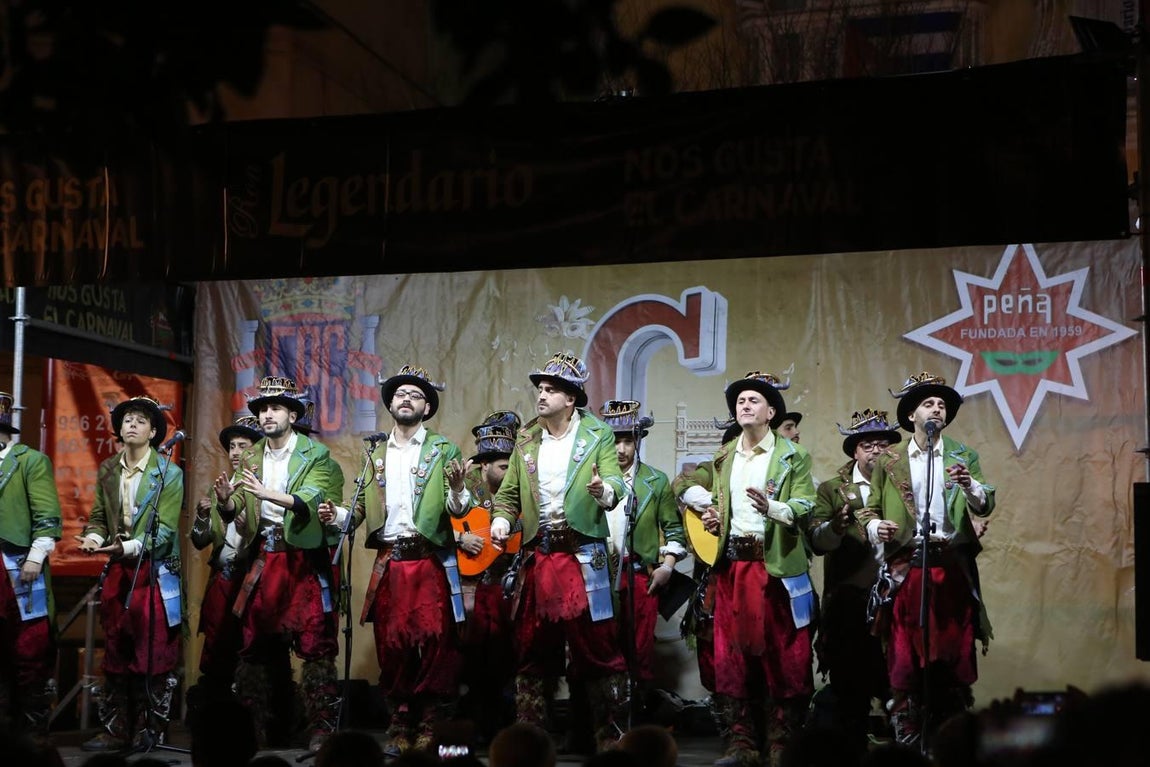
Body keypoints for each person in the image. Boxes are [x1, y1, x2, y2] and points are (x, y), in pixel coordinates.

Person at [325, 365, 470, 757]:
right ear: (390, 403)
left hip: (427, 559)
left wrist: (457, 489)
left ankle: (428, 720)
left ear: (427, 407)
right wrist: (336, 516)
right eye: (400, 393)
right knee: (392, 645)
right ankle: (400, 717)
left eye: (415, 395)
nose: (406, 398)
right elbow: (357, 509)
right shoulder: (374, 451)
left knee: (436, 643)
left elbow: (458, 508)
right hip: (390, 560)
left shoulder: (443, 450)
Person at [490, 351, 629, 751]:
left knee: (599, 647)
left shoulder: (597, 435)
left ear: (571, 398)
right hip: (540, 555)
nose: (541, 395)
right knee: (532, 649)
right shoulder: (526, 438)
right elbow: (510, 494)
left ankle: (610, 741)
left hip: (583, 554)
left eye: (551, 390)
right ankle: (528, 741)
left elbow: (617, 483)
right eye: (539, 389)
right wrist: (502, 519)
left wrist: (605, 492)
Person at [680, 370, 817, 767]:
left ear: (771, 412)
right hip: (734, 568)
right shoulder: (724, 457)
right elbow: (690, 488)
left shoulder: (793, 456)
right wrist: (710, 509)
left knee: (783, 656)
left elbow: (806, 505)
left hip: (774, 567)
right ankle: (741, 743)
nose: (745, 405)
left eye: (754, 400)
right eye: (740, 401)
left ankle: (781, 743)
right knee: (733, 657)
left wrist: (772, 508)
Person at [857, 372, 995, 746]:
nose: (937, 408)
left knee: (951, 650)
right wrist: (876, 528)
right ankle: (907, 733)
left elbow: (986, 504)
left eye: (942, 405)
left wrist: (969, 485)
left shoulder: (963, 456)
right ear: (911, 415)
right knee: (904, 652)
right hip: (906, 567)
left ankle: (950, 736)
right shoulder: (889, 460)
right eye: (929, 404)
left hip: (949, 565)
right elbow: (868, 510)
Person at [214, 376, 340, 753]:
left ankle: (322, 728)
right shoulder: (251, 456)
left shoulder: (315, 454)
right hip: (264, 557)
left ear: (292, 413)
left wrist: (271, 493)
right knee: (254, 647)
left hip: (301, 558)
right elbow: (239, 506)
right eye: (263, 409)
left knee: (316, 644)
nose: (267, 415)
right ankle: (258, 729)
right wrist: (224, 502)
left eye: (275, 408)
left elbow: (309, 498)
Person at [78, 395, 184, 752]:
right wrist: (93, 539)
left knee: (151, 650)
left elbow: (165, 530)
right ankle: (116, 728)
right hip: (119, 571)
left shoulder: (169, 471)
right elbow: (97, 517)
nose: (132, 425)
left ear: (154, 432)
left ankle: (149, 728)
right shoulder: (109, 469)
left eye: (141, 420)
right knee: (117, 646)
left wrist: (128, 547)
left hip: (152, 571)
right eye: (126, 420)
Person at [807, 408, 902, 756]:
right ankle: (853, 748)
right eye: (867, 445)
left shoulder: (903, 485)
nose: (876, 451)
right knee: (850, 681)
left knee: (898, 676)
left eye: (882, 445)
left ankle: (904, 748)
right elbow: (817, 542)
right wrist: (836, 524)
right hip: (850, 598)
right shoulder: (833, 490)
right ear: (854, 452)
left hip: (897, 593)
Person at [599, 399, 687, 709]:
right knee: (598, 648)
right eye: (614, 440)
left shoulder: (655, 480)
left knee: (639, 651)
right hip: (597, 575)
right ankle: (598, 725)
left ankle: (636, 724)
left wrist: (667, 567)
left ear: (637, 441)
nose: (621, 448)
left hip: (639, 575)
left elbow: (675, 531)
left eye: (627, 440)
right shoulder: (592, 480)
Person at [0, 391, 63, 737]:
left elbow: (47, 514)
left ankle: (30, 736)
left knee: (29, 647)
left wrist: (37, 555)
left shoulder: (29, 460)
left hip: (17, 564)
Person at [456, 409, 521, 742]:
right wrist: (460, 538)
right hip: (471, 586)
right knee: (473, 655)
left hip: (509, 585)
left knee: (509, 655)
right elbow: (441, 522)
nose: (509, 472)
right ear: (483, 465)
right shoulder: (464, 487)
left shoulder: (522, 489)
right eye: (503, 467)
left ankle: (506, 723)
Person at [189, 415, 261, 702]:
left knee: (251, 643)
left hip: (251, 574)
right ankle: (217, 706)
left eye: (242, 445)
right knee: (217, 642)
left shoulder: (262, 487)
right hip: (223, 575)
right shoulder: (218, 486)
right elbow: (200, 540)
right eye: (232, 446)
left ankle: (252, 709)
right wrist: (202, 516)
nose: (235, 452)